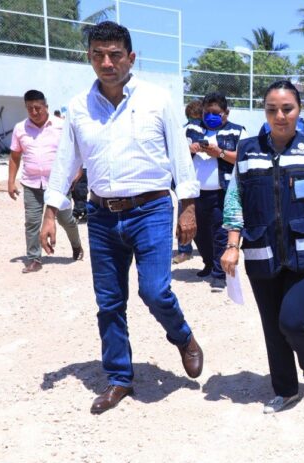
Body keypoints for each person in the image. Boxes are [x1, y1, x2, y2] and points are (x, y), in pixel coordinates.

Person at [40, 21, 203, 414]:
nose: (106, 62)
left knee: (154, 290)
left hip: (150, 209)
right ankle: (119, 378)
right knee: (109, 302)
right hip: (100, 214)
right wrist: (49, 212)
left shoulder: (157, 99)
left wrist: (189, 205)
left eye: (114, 54)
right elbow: (66, 161)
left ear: (131, 58)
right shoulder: (79, 106)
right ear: (89, 58)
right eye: (98, 55)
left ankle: (182, 337)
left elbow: (181, 157)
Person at [221, 80, 304, 414]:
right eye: (272, 109)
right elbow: (235, 201)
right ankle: (286, 389)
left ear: (298, 110)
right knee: (271, 325)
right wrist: (232, 244)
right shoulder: (247, 152)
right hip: (262, 251)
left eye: (287, 108)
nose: (279, 116)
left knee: (292, 320)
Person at [8, 89, 83, 273]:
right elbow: (15, 156)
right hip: (32, 183)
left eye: (37, 108)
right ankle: (34, 258)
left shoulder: (61, 125)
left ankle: (76, 245)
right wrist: (11, 181)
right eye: (29, 108)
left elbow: (75, 151)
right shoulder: (20, 128)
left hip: (57, 184)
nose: (34, 112)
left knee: (66, 219)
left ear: (46, 106)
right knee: (32, 221)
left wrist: (78, 171)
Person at [189, 92, 246, 290]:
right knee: (199, 232)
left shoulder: (237, 132)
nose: (210, 116)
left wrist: (219, 153)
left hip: (222, 192)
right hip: (195, 193)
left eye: (216, 112)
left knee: (220, 233)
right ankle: (208, 263)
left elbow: (243, 158)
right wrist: (191, 148)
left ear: (226, 113)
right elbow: (177, 151)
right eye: (207, 112)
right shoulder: (191, 128)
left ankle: (219, 274)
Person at [172, 99, 202, 265]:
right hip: (199, 179)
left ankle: (184, 249)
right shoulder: (194, 129)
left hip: (186, 181)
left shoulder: (183, 128)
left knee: (185, 212)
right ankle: (185, 249)